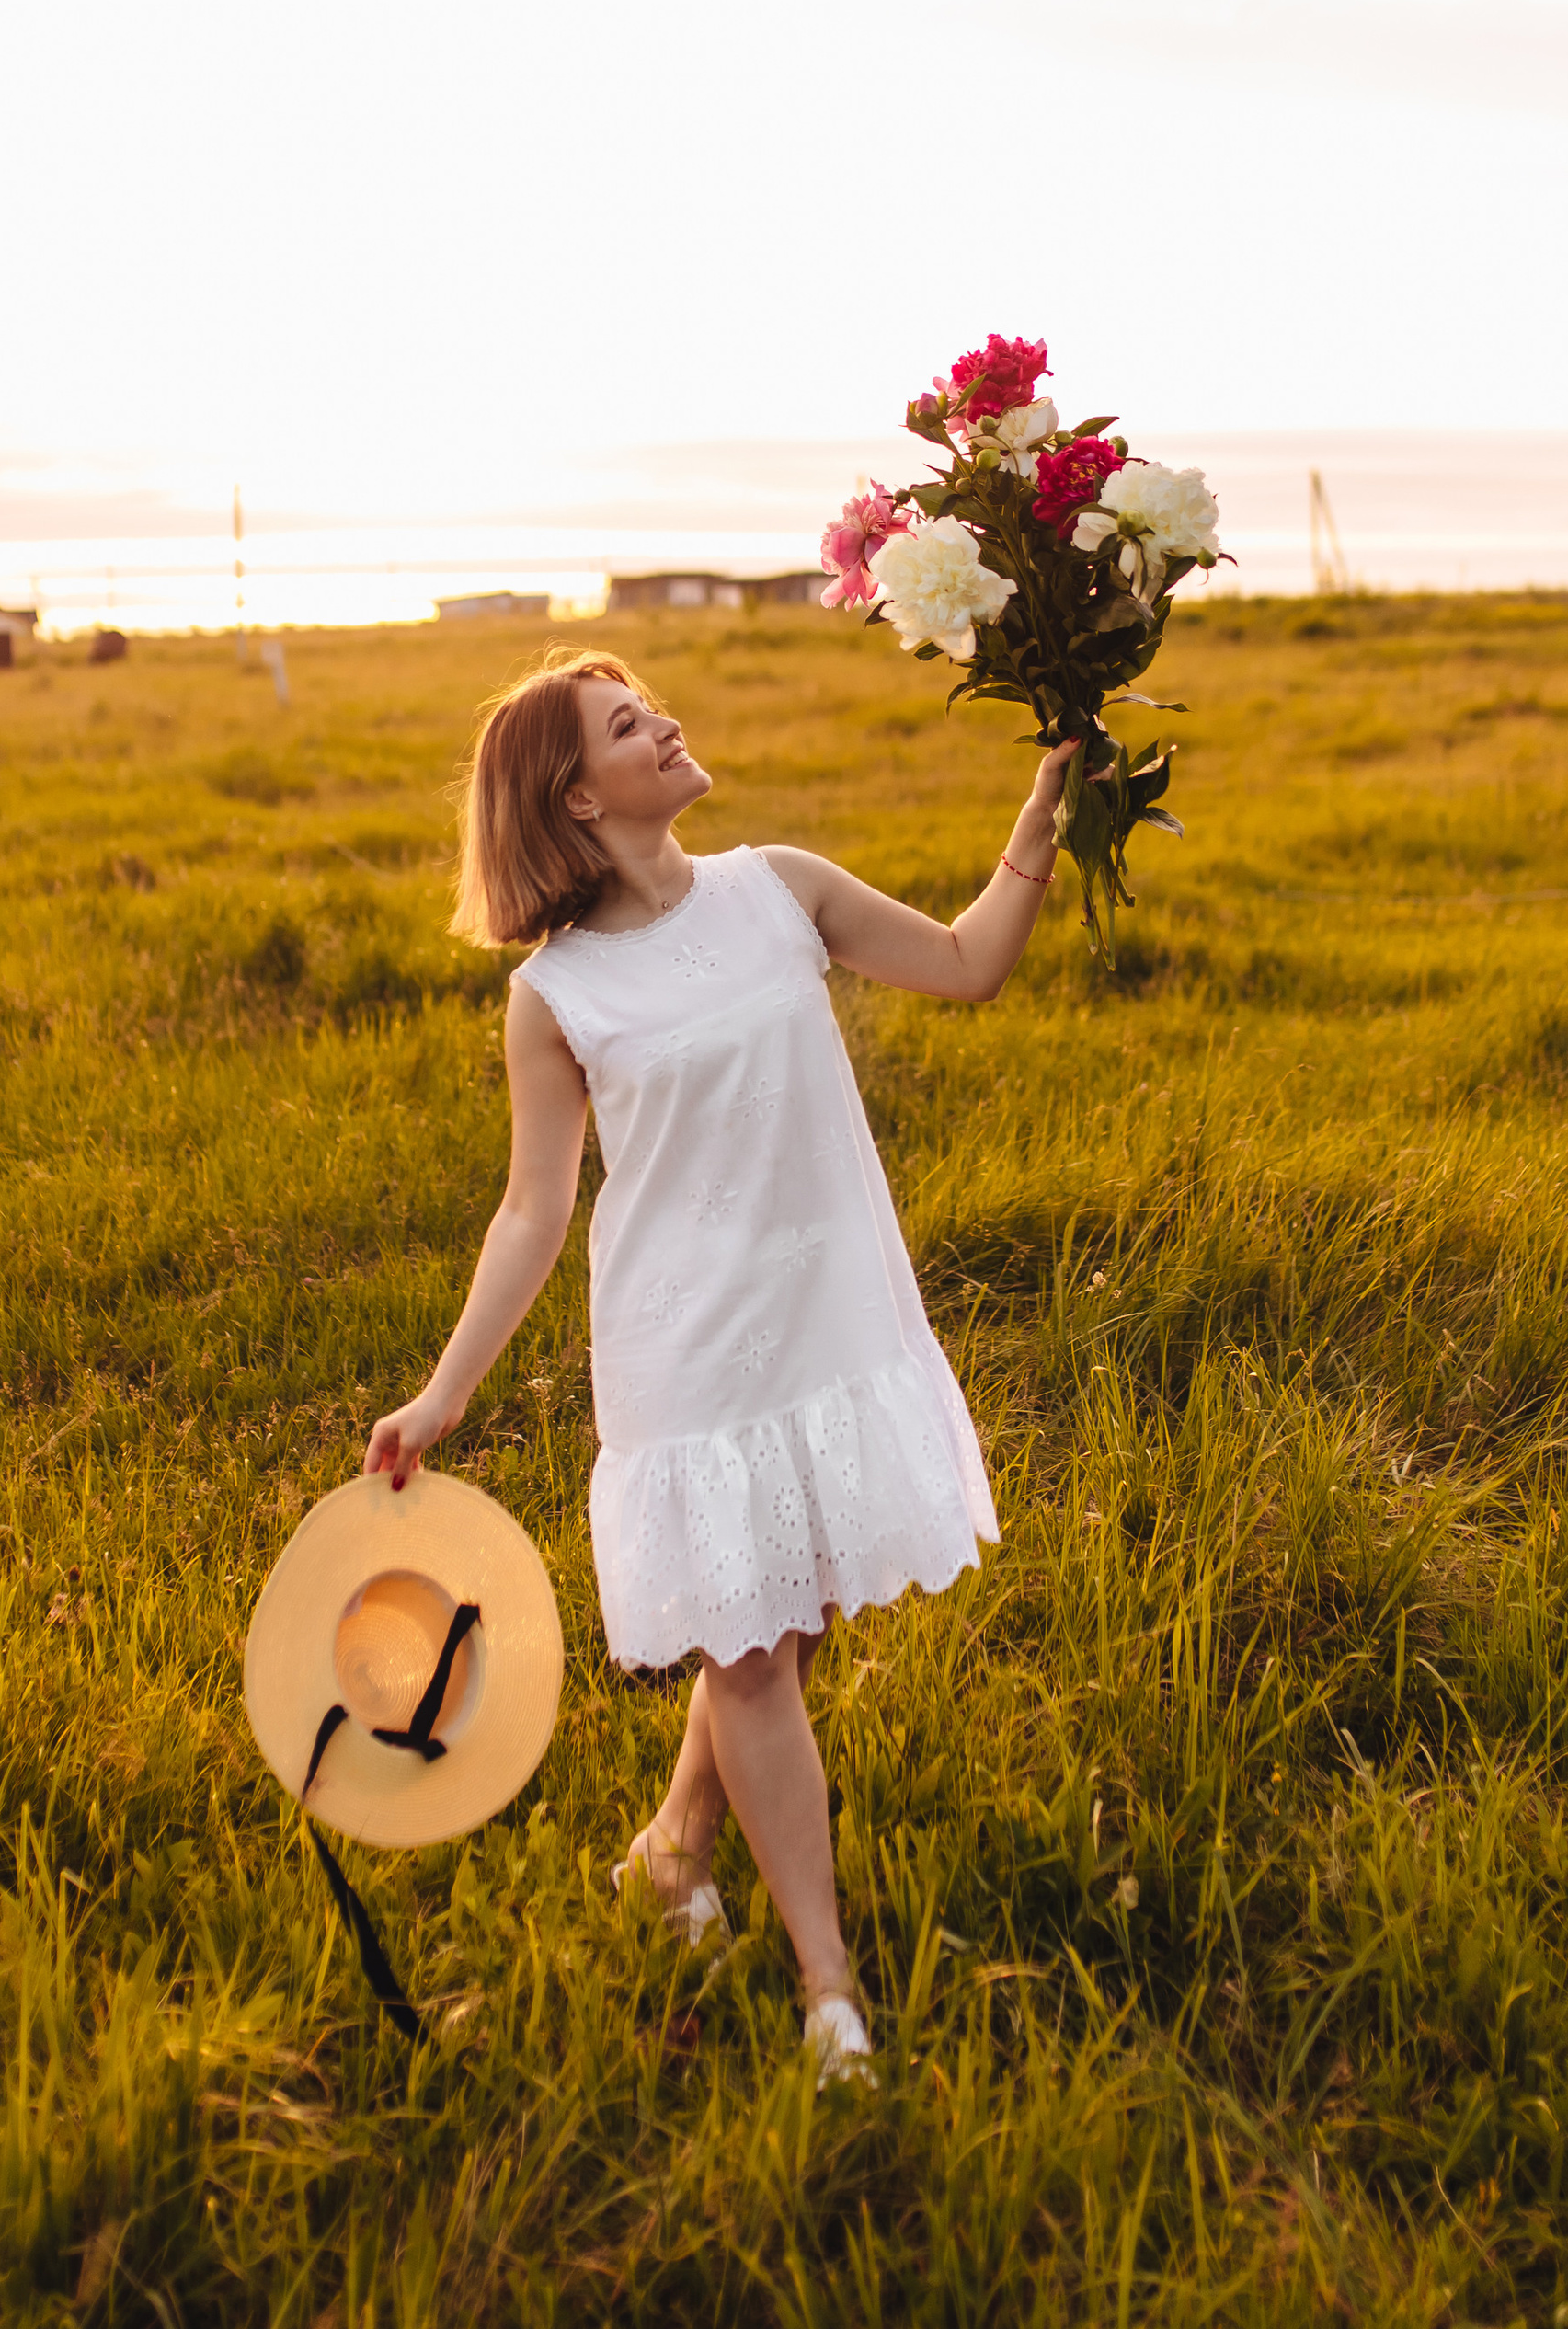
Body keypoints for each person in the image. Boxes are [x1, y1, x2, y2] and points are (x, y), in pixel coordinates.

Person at [363, 647, 1078, 2085]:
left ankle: (673, 1851)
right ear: (575, 798)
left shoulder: (778, 888)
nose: (670, 724)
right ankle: (830, 1992)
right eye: (631, 725)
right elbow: (533, 1208)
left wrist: (1040, 823)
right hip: (685, 1350)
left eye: (653, 706)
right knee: (750, 1655)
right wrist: (444, 1392)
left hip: (829, 1315)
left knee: (788, 1616)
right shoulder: (556, 1000)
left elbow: (963, 964)